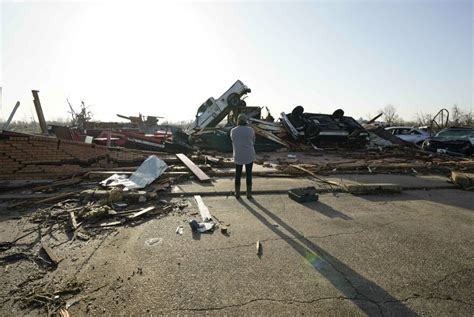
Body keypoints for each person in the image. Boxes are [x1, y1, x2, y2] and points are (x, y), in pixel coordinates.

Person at [230, 114, 256, 199]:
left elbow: (232, 140)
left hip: (238, 154)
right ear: (246, 121)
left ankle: (237, 193)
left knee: (238, 174)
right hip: (249, 154)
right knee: (249, 174)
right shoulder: (251, 130)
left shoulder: (233, 130)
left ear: (238, 120)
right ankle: (248, 194)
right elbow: (253, 141)